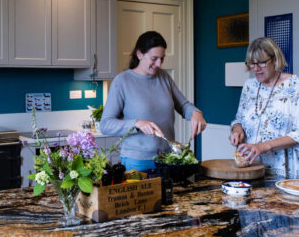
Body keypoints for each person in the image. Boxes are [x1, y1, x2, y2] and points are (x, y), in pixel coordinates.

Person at [100, 31, 207, 171]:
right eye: (154, 58)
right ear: (139, 55)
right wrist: (136, 123)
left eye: (162, 58)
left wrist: (196, 113)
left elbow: (184, 105)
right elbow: (106, 124)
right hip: (137, 162)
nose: (159, 64)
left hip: (167, 159)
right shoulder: (122, 81)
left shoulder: (164, 77)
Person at [230, 37, 299, 178]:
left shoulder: (295, 86)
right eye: (251, 63)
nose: (255, 69)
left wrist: (262, 146)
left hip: (285, 173)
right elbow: (239, 119)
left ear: (275, 59)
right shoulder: (249, 86)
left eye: (261, 63)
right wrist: (237, 129)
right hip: (251, 168)